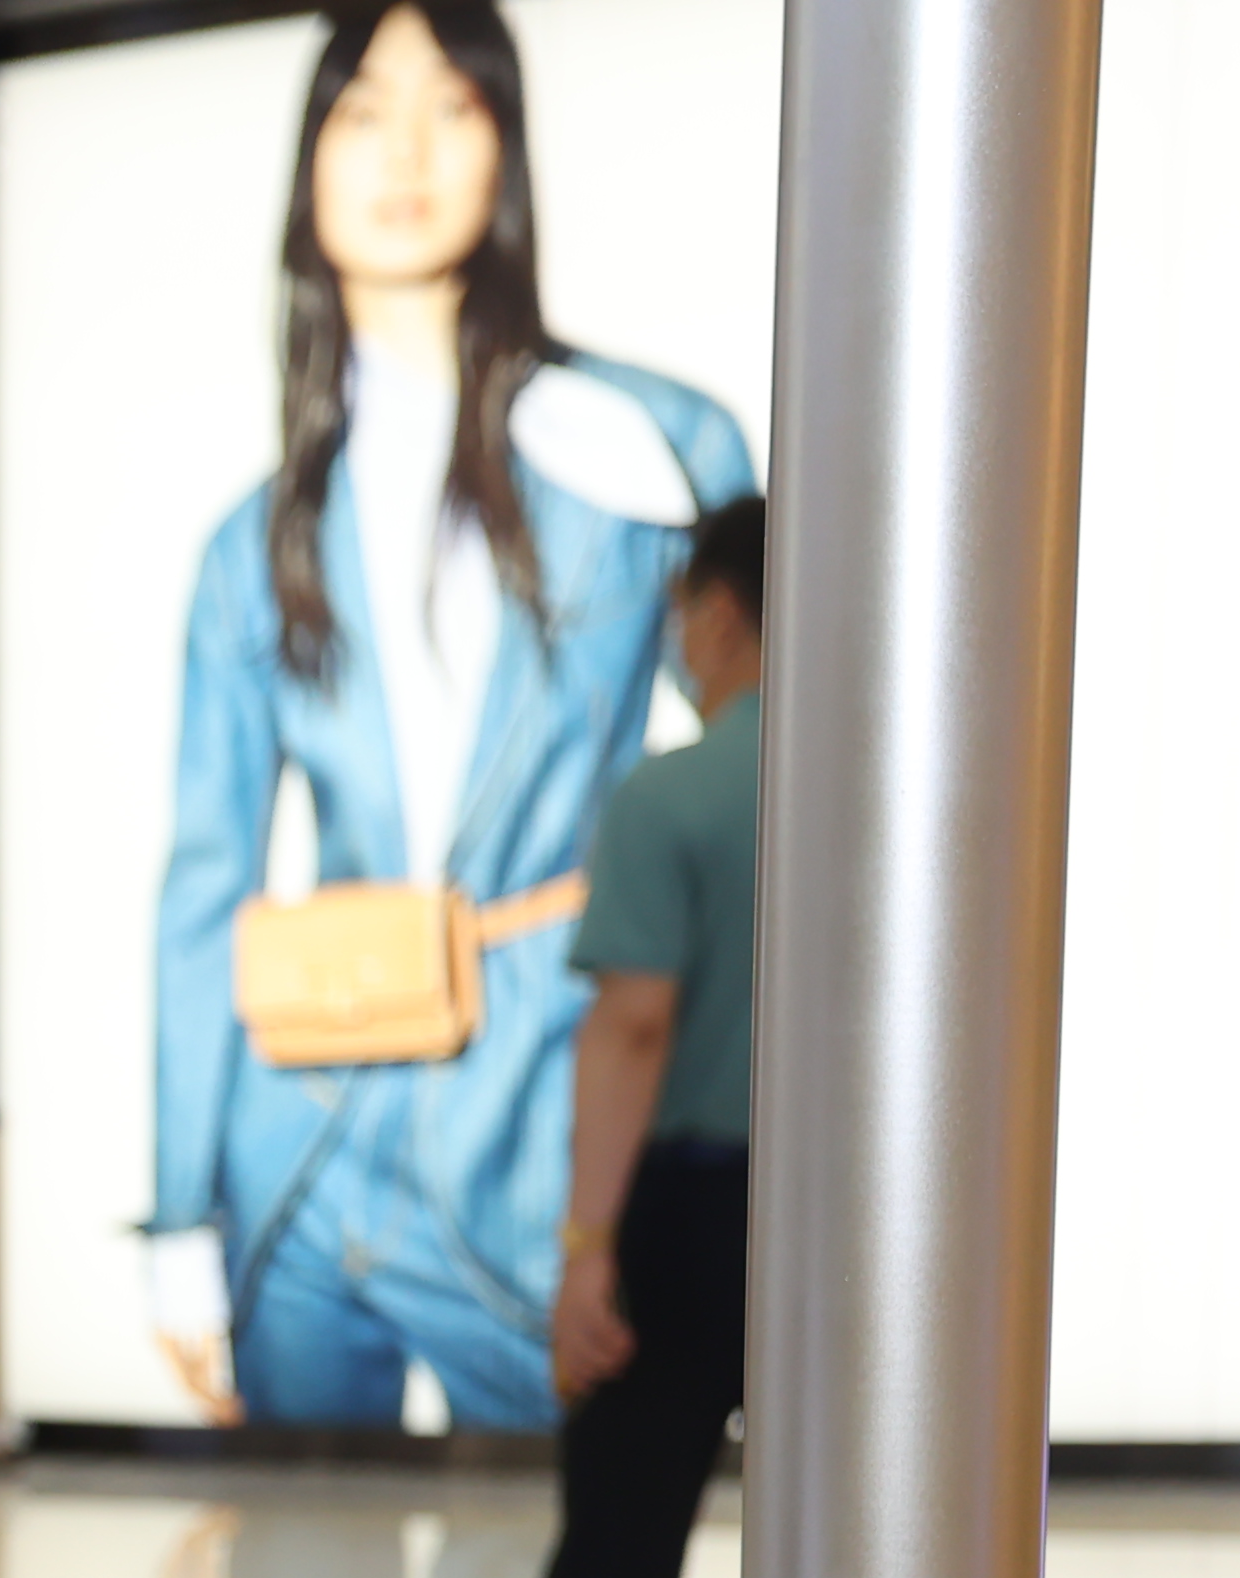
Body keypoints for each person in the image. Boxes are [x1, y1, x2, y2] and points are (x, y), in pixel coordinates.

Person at [144, 0, 752, 1432]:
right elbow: (204, 886)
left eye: (450, 107)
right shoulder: (253, 544)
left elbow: (770, 751)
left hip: (539, 1127)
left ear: (504, 143)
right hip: (303, 1148)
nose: (404, 152)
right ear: (312, 159)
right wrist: (178, 1219)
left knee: (562, 1558)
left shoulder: (652, 443)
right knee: (300, 1567)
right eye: (363, 111)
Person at [466, 495, 763, 1578]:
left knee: (622, 1547)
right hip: (851, 1230)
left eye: (684, 620)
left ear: (721, 615)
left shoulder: (674, 801)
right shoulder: (886, 796)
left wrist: (587, 1255)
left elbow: (634, 1027)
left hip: (695, 1212)